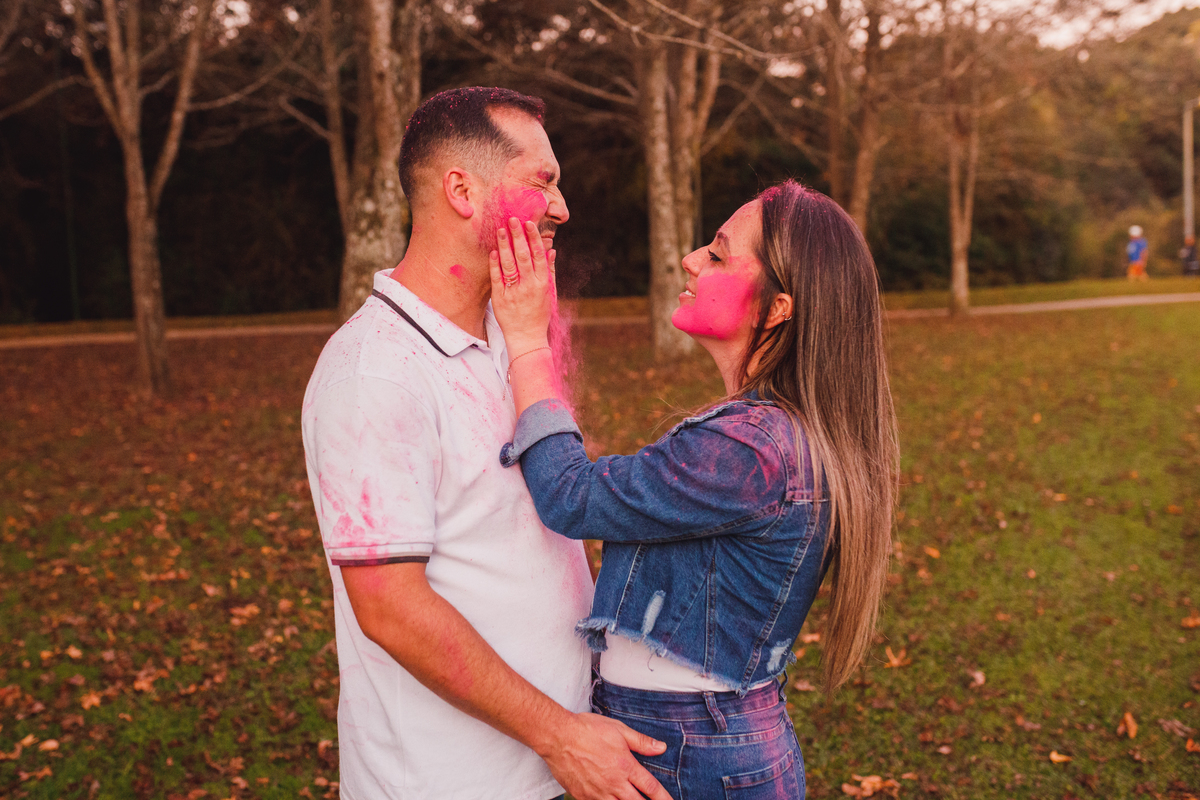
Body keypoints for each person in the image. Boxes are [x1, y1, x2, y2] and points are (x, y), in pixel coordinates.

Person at [301, 87, 671, 800]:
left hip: (555, 765)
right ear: (463, 190)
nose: (562, 207)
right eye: (544, 181)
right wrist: (558, 734)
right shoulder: (375, 370)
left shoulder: (513, 339)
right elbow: (389, 607)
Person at [490, 180, 900, 799]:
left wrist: (525, 340)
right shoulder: (777, 433)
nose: (690, 260)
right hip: (707, 741)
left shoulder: (749, 449)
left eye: (717, 252)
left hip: (690, 754)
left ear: (780, 307)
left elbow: (571, 496)